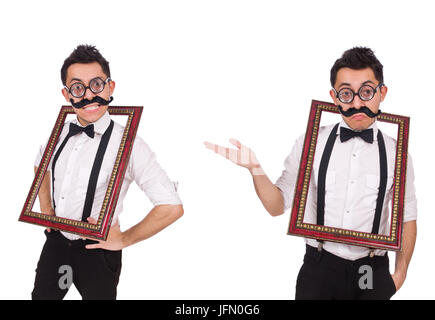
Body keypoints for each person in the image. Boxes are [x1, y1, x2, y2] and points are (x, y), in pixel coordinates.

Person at [204, 47, 417, 300]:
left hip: (369, 270)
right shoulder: (310, 142)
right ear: (334, 96)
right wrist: (255, 169)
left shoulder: (398, 153)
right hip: (320, 267)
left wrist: (400, 274)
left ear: (382, 92)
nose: (357, 103)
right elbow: (276, 206)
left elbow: (407, 218)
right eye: (347, 93)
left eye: (367, 91)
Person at [32, 44, 184, 300]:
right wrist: (46, 208)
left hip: (98, 251)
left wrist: (124, 239)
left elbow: (171, 206)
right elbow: (41, 165)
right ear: (67, 94)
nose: (89, 95)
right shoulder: (58, 133)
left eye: (97, 84)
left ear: (110, 87)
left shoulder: (130, 144)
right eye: (78, 87)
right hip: (56, 244)